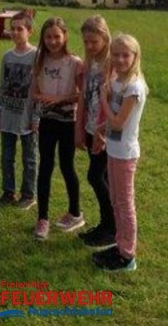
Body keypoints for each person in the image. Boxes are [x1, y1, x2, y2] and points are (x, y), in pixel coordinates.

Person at [92, 33, 147, 272]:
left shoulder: (134, 87)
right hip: (114, 150)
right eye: (115, 55)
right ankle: (120, 245)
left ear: (135, 56)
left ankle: (128, 256)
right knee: (116, 200)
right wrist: (100, 129)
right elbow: (112, 121)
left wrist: (103, 99)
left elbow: (118, 122)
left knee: (125, 204)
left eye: (126, 55)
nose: (120, 59)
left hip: (125, 153)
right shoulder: (118, 82)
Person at [30, 17, 84, 240]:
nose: (53, 41)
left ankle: (75, 212)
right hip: (47, 121)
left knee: (67, 166)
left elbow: (82, 95)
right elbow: (33, 91)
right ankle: (42, 219)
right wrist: (41, 98)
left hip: (68, 122)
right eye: (48, 37)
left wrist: (59, 99)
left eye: (57, 36)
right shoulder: (39, 60)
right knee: (45, 166)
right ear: (43, 38)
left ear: (65, 36)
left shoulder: (74, 63)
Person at [75, 15, 116, 249]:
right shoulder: (89, 62)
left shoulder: (112, 64)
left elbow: (112, 101)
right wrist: (79, 128)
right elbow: (83, 96)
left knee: (96, 176)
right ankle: (105, 225)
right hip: (90, 128)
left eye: (94, 42)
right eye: (86, 42)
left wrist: (102, 132)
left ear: (105, 38)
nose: (90, 46)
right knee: (103, 178)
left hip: (105, 132)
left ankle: (112, 228)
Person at [0, 12, 38, 209]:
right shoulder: (7, 57)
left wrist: (36, 117)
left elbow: (40, 88)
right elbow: (2, 85)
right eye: (13, 28)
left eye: (20, 29)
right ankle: (8, 192)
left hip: (27, 117)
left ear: (30, 31)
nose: (16, 32)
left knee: (29, 158)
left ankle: (28, 195)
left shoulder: (36, 56)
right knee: (7, 157)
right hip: (8, 115)